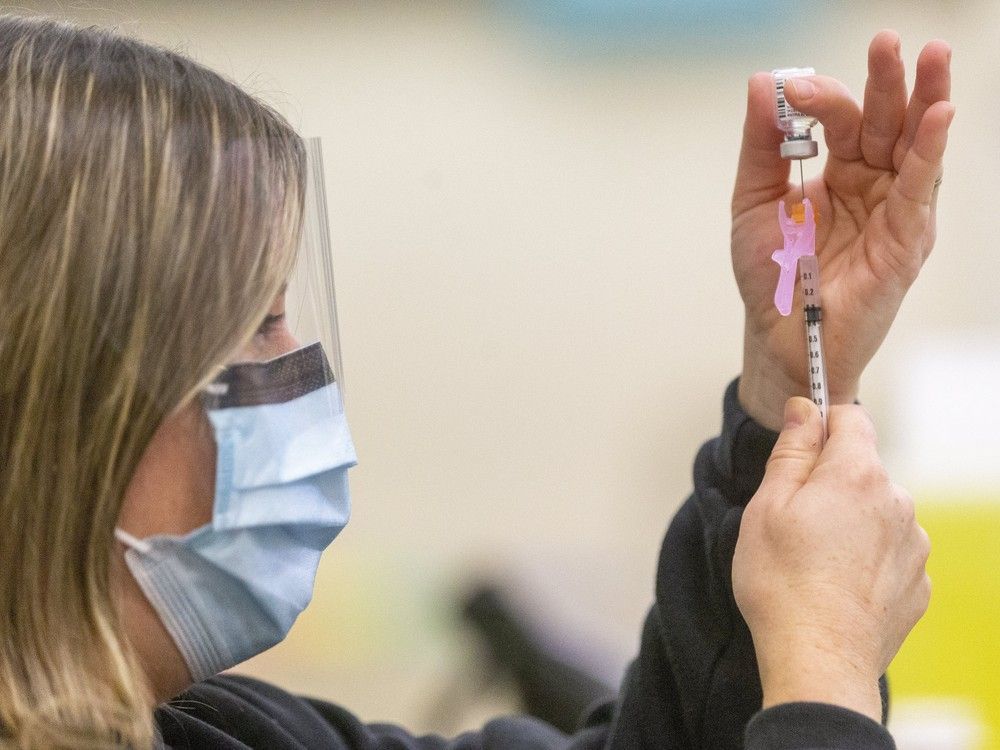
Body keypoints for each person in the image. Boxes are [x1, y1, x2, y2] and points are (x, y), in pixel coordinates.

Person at [0, 14, 951, 750]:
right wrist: (823, 672)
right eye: (252, 325)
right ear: (65, 403)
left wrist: (784, 392)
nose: (297, 376)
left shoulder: (209, 730)